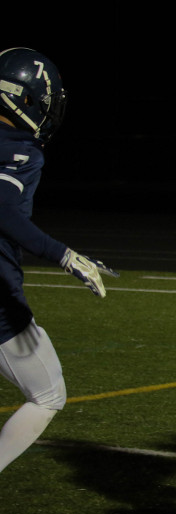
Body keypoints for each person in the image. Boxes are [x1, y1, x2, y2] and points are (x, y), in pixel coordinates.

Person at [0, 48, 118, 475]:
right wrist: (63, 254)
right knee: (47, 395)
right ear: (23, 100)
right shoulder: (20, 151)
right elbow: (2, 209)